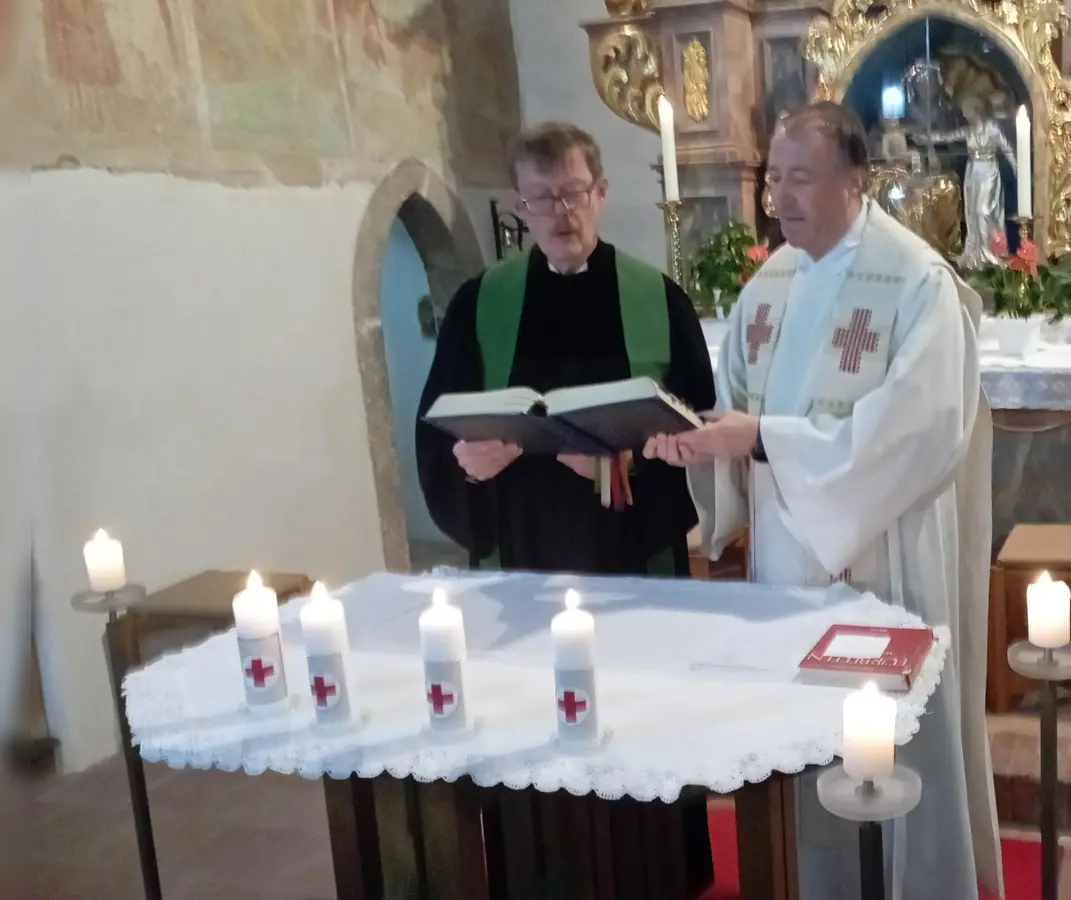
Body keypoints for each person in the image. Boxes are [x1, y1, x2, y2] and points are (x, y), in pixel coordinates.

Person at [644, 102, 1001, 900]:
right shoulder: (767, 285)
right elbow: (736, 404)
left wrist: (762, 440)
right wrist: (697, 443)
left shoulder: (916, 282)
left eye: (800, 179)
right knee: (802, 737)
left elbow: (920, 429)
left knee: (889, 741)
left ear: (856, 179)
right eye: (774, 179)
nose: (780, 198)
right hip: (784, 559)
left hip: (884, 554)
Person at [415, 122, 717, 890]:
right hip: (525, 546)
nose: (560, 212)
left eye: (573, 194)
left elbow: (700, 422)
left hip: (629, 544)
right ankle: (538, 871)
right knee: (531, 724)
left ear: (602, 193)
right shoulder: (482, 303)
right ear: (520, 205)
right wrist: (470, 460)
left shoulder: (659, 298)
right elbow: (439, 422)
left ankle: (654, 873)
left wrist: (627, 449)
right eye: (541, 198)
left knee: (637, 718)